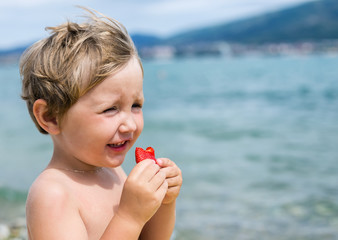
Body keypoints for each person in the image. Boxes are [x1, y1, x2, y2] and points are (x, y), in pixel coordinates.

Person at [20, 7, 182, 240]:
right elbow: (129, 223)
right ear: (51, 117)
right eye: (110, 109)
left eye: (136, 105)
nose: (129, 125)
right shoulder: (53, 194)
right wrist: (129, 217)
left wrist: (164, 203)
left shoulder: (114, 171)